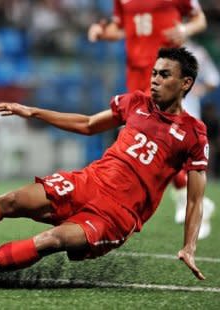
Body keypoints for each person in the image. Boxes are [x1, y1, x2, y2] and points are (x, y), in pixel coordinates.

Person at [0, 47, 207, 287]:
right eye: (154, 73)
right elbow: (87, 124)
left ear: (185, 83)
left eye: (164, 75)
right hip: (89, 181)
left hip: (117, 214)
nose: (154, 80)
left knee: (52, 240)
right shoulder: (136, 102)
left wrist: (189, 246)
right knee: (12, 200)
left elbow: (195, 199)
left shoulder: (194, 134)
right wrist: (33, 111)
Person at [87, 0, 213, 238]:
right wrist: (101, 32)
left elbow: (200, 19)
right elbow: (122, 28)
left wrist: (185, 30)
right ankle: (185, 195)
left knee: (155, 138)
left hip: (164, 71)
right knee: (143, 139)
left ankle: (184, 195)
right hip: (135, 72)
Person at [173, 40, 219, 237]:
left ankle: (197, 206)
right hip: (173, 114)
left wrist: (198, 90)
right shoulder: (164, 48)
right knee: (173, 163)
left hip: (185, 115)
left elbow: (213, 80)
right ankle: (190, 203)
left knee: (183, 164)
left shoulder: (196, 52)